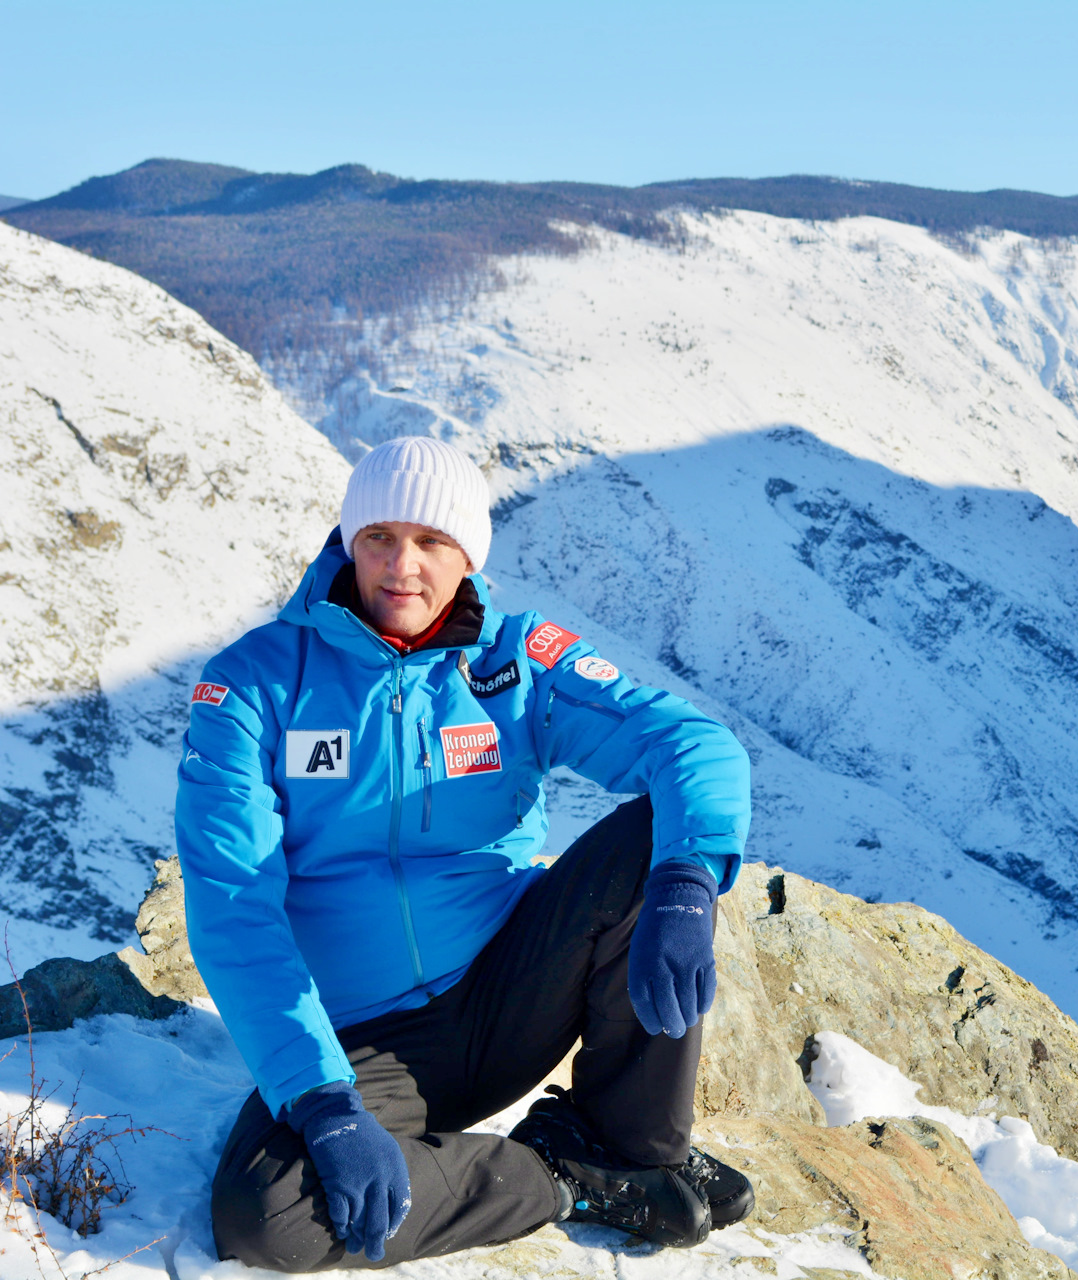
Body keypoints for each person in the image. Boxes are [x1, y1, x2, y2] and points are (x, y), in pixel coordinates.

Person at [175, 436, 754, 1271]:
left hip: (510, 991)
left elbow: (693, 743)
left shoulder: (514, 660)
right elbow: (233, 905)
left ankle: (632, 1144)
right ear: (347, 542)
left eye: (432, 542)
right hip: (360, 1043)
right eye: (379, 537)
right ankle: (567, 1174)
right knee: (265, 1218)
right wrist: (323, 1098)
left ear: (469, 555)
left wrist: (687, 882)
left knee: (652, 841)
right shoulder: (255, 686)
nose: (401, 566)